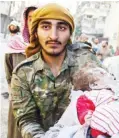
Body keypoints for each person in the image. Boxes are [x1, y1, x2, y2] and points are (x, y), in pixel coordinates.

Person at [10, 3, 100, 138]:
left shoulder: (86, 61)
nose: (53, 36)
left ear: (70, 33)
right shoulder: (23, 72)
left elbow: (109, 94)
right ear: (35, 32)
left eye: (62, 28)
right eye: (45, 27)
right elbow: (27, 119)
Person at [44, 64, 119, 138]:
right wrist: (86, 116)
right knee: (103, 112)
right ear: (94, 84)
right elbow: (83, 104)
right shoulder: (93, 94)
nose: (108, 74)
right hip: (112, 123)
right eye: (103, 74)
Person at [5, 6, 37, 138]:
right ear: (25, 21)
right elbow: (9, 76)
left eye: (38, 18)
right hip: (19, 104)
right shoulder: (13, 47)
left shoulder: (49, 48)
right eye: (30, 19)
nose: (34, 22)